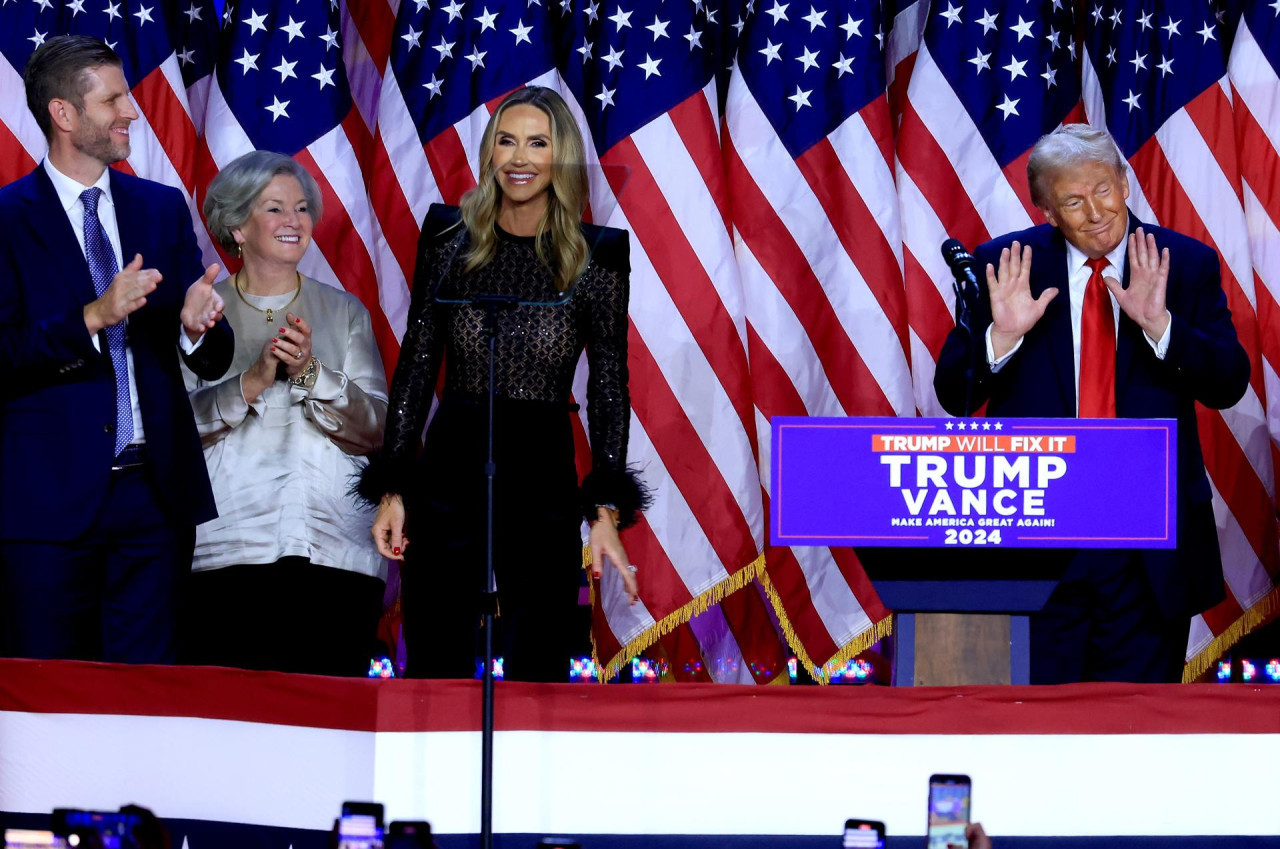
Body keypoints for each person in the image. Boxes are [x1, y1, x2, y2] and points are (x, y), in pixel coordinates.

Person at [934, 124, 1249, 684]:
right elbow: (955, 395)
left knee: (1138, 732)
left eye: (1103, 189)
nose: (1096, 211)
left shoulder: (1186, 265)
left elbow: (1228, 383)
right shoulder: (1008, 266)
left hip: (1148, 546)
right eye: (1074, 201)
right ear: (1049, 212)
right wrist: (1001, 338)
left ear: (1125, 184)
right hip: (1038, 539)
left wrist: (1162, 327)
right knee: (1039, 733)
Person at [358, 86, 647, 682]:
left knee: (539, 648)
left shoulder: (600, 255)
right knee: (435, 640)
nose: (519, 158)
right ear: (489, 153)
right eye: (506, 141)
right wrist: (393, 487)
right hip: (455, 450)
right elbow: (416, 361)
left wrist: (605, 511)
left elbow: (610, 387)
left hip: (542, 457)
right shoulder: (446, 235)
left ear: (559, 157)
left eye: (537, 143)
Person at [0, 36, 232, 663]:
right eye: (115, 99)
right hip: (45, 504)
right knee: (46, 699)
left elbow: (212, 351)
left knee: (145, 697)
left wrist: (198, 325)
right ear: (64, 114)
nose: (132, 111)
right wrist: (94, 317)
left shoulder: (159, 208)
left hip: (153, 500)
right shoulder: (7, 218)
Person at [181, 151, 389, 677]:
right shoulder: (201, 312)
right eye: (274, 209)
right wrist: (250, 382)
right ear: (236, 225)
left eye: (301, 209)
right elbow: (175, 430)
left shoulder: (345, 312)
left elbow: (376, 431)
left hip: (335, 552)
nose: (293, 222)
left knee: (331, 726)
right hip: (228, 550)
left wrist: (310, 372)